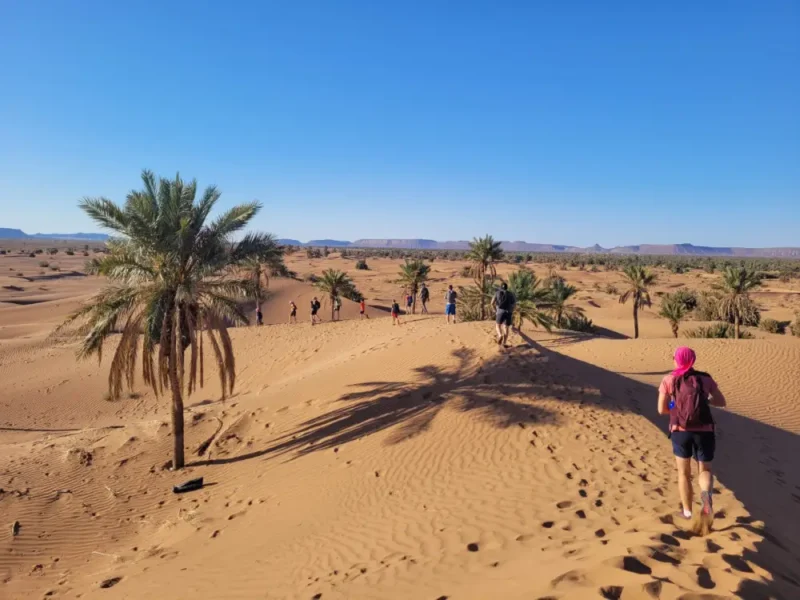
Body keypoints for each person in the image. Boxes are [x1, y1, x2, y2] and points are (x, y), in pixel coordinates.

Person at [657, 347, 727, 527]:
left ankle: (687, 512)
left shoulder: (669, 380)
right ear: (692, 360)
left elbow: (661, 410)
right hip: (704, 431)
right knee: (705, 469)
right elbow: (721, 402)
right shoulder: (705, 378)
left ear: (676, 360)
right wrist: (705, 401)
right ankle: (706, 497)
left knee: (684, 472)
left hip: (680, 431)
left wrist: (674, 406)